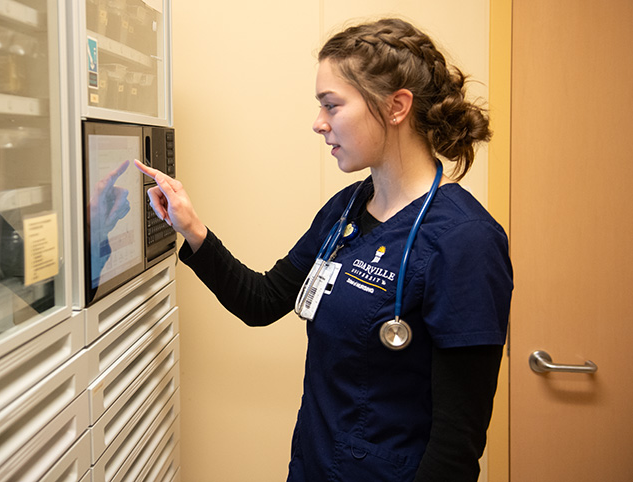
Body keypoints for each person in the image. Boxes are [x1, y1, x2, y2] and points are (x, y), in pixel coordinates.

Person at [135, 17, 513, 482]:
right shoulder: (347, 209)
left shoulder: (466, 242)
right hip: (314, 465)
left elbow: (457, 446)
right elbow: (262, 301)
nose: (318, 124)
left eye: (331, 106)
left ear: (396, 106)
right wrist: (191, 228)